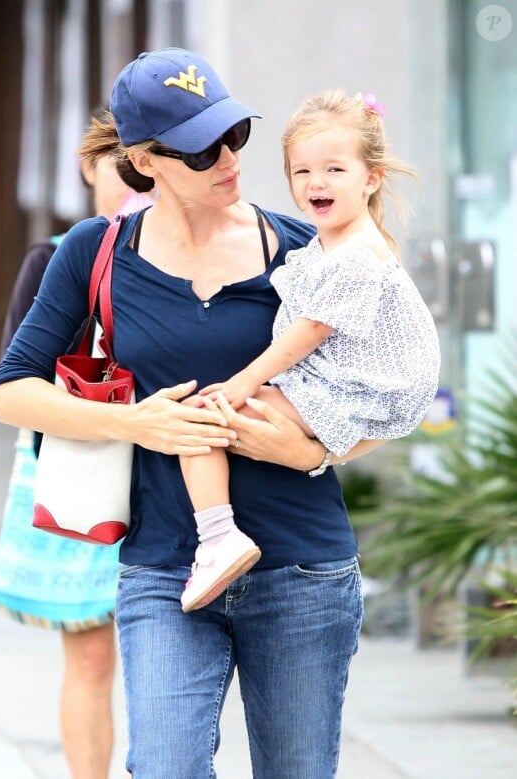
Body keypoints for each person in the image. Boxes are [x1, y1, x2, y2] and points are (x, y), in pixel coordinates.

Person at [0, 47, 394, 778]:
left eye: (234, 134)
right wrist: (136, 423)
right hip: (166, 566)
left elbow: (387, 395)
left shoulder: (303, 249)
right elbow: (14, 389)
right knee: (165, 765)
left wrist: (314, 451)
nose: (229, 158)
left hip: (302, 566)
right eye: (202, 149)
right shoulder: (94, 252)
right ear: (146, 159)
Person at [177, 88, 441, 612]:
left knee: (201, 418)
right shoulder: (328, 245)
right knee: (207, 417)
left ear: (371, 178)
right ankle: (219, 536)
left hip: (357, 390)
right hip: (345, 385)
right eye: (302, 172)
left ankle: (218, 537)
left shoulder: (357, 254)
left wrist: (243, 383)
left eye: (334, 170)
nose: (316, 182)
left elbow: (307, 331)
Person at [0, 107, 154, 779]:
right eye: (120, 170)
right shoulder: (56, 259)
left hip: (168, 478)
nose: (133, 185)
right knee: (90, 655)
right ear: (89, 169)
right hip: (79, 474)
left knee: (162, 654)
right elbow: (16, 384)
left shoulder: (183, 257)